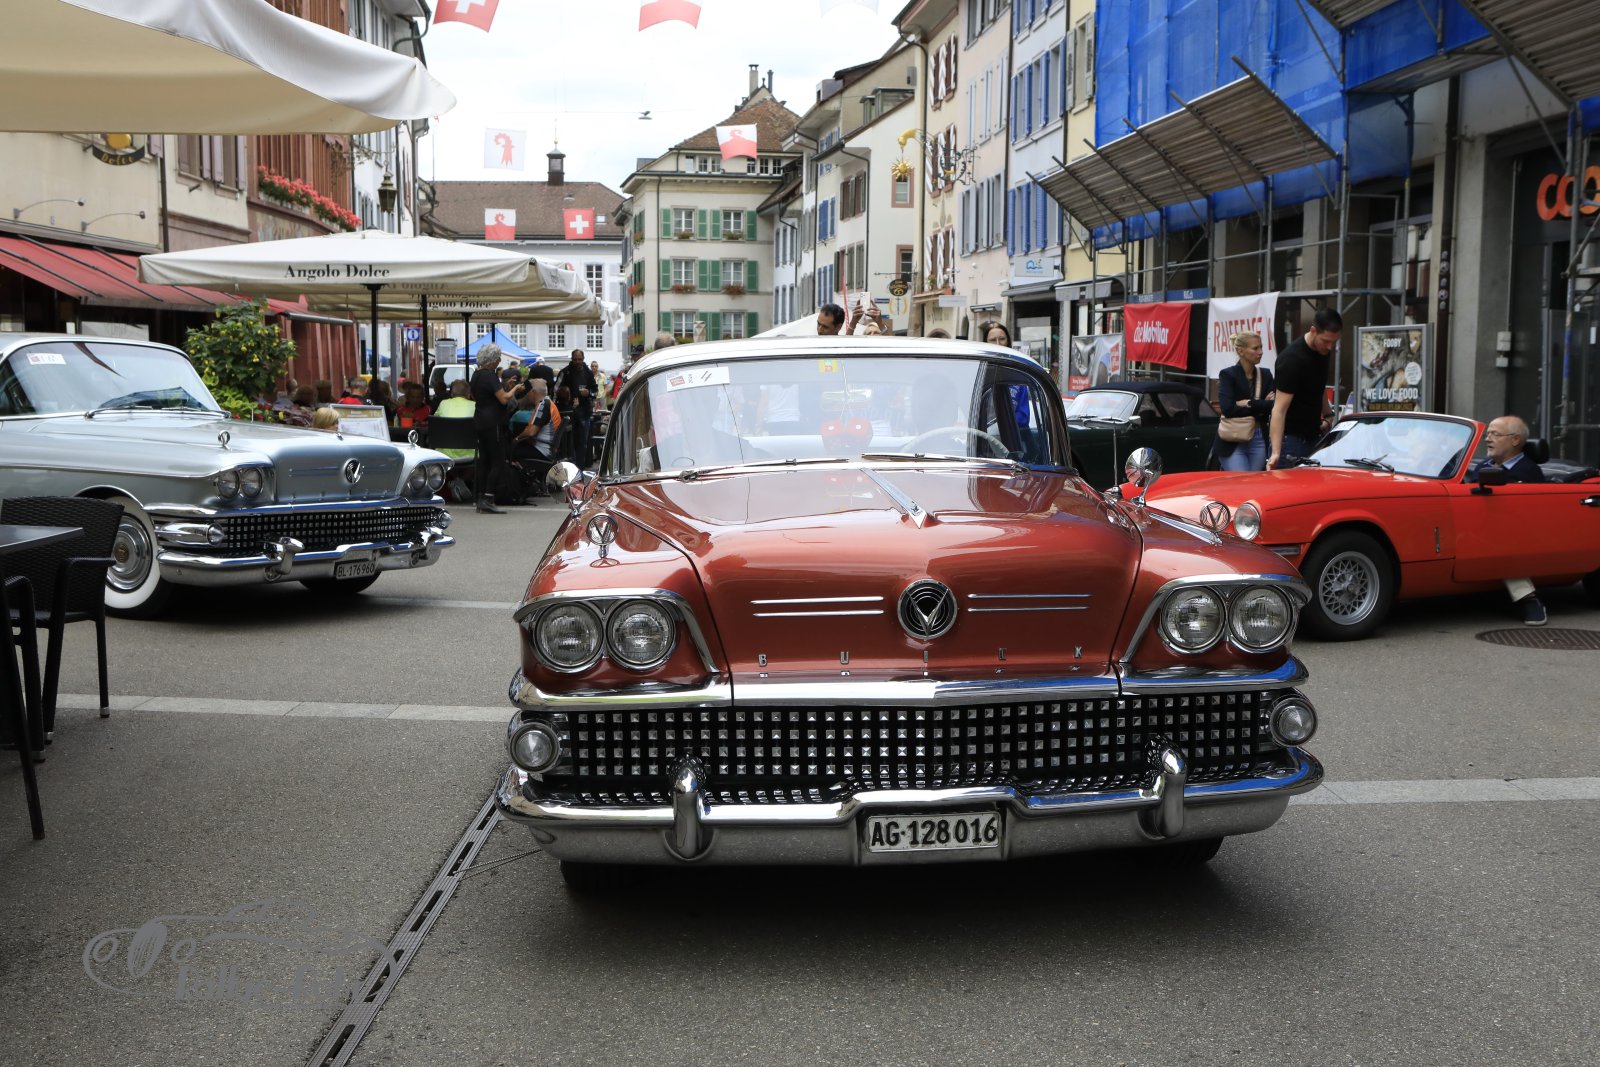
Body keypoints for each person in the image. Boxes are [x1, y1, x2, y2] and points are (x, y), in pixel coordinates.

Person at [1465, 415, 1548, 625]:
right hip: (1473, 527)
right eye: (1487, 434)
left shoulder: (1528, 471)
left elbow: (1529, 516)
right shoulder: (1483, 465)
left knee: (1499, 542)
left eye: (1495, 434)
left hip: (1513, 535)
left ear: (1515, 440)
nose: (1487, 439)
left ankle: (1528, 599)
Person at [1267, 307, 1342, 469]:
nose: (1330, 347)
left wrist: (1328, 415)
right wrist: (1276, 452)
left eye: (1334, 341)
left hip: (1314, 435)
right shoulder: (1291, 360)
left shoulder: (1323, 351)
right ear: (1313, 330)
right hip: (1290, 440)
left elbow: (1319, 383)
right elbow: (1279, 410)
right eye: (1326, 341)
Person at [470, 345, 520, 514]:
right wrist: (515, 388)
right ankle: (489, 498)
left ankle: (480, 498)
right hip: (493, 422)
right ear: (491, 360)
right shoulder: (490, 375)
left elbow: (480, 395)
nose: (499, 361)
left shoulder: (476, 375)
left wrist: (505, 385)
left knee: (484, 460)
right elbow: (504, 399)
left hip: (480, 420)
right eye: (498, 358)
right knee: (497, 461)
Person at [1216, 330, 1276, 472]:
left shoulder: (1265, 374)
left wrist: (1249, 403)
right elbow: (1228, 409)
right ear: (1240, 351)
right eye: (1255, 348)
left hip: (1259, 437)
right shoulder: (1228, 374)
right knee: (1241, 481)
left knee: (1254, 481)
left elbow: (1273, 406)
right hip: (1233, 438)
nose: (1260, 352)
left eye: (1261, 347)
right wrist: (1261, 406)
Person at [556, 349, 597, 465]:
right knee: (568, 442)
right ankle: (571, 467)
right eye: (575, 359)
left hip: (584, 411)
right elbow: (555, 390)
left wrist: (588, 393)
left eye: (580, 359)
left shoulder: (588, 373)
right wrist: (565, 398)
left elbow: (595, 391)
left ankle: (580, 467)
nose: (578, 362)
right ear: (572, 359)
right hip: (567, 412)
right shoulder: (565, 372)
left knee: (582, 442)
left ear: (583, 359)